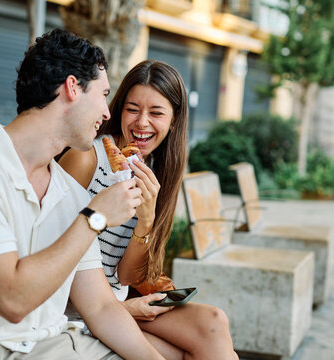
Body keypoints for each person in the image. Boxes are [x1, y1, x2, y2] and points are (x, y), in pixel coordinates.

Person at [0, 29, 166, 360]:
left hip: (57, 345)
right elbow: (12, 299)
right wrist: (95, 218)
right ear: (72, 87)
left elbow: (102, 306)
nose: (107, 113)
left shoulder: (70, 192)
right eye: (103, 95)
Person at [59, 60, 239, 360]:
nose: (142, 123)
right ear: (118, 110)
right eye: (132, 109)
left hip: (118, 296)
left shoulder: (155, 169)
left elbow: (127, 276)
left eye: (156, 113)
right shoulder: (86, 159)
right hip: (80, 308)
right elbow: (50, 252)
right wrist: (123, 309)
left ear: (174, 119)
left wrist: (146, 219)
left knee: (213, 322)